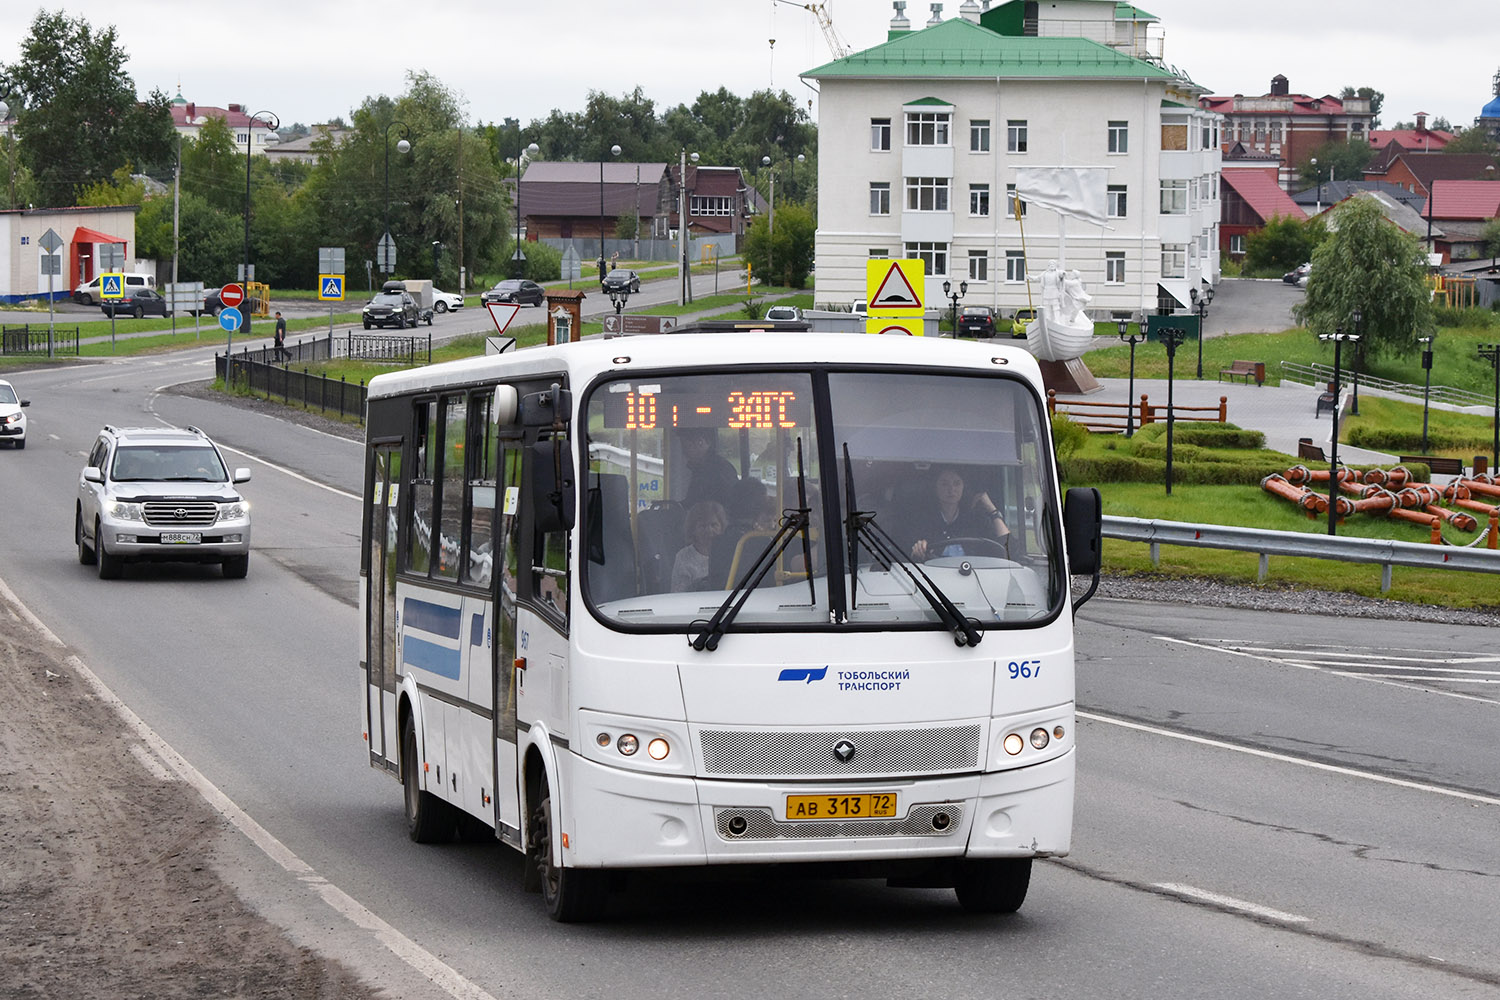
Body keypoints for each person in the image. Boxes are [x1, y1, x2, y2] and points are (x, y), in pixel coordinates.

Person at [907, 466, 1010, 561]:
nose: (951, 489)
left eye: (957, 483)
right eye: (944, 484)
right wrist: (918, 550)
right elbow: (907, 556)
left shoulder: (977, 521)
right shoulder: (921, 521)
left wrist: (993, 511)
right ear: (935, 488)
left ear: (963, 487)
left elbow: (1009, 551)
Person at [672, 501, 727, 592]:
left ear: (722, 527)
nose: (709, 530)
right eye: (703, 526)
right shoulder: (683, 557)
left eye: (714, 525)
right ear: (692, 529)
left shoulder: (732, 553)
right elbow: (678, 594)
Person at [680, 427, 739, 506]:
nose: (684, 452)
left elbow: (727, 502)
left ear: (700, 442)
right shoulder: (699, 468)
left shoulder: (720, 470)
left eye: (687, 446)